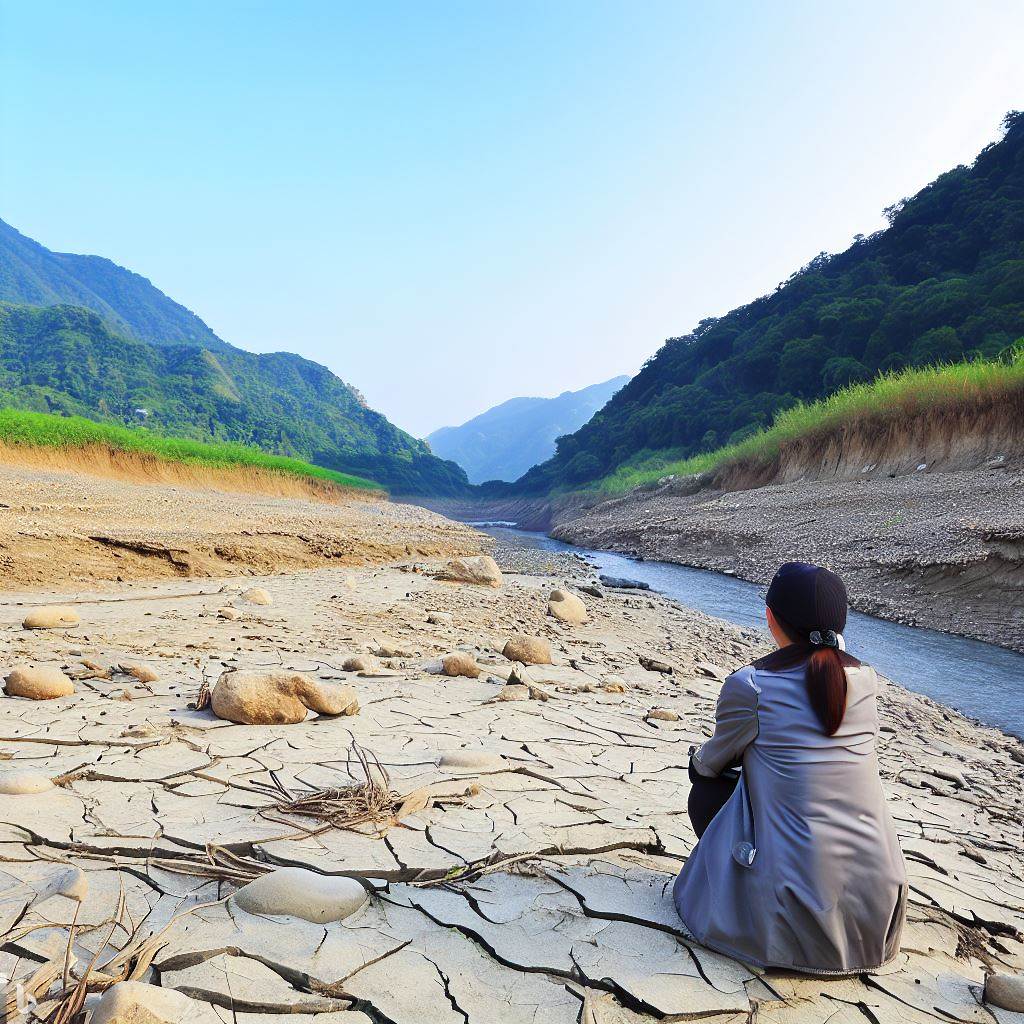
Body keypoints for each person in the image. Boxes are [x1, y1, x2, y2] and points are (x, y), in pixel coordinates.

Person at [673, 561, 907, 975]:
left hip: (786, 915)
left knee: (708, 788)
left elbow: (711, 763)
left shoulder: (752, 685)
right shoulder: (867, 679)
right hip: (875, 911)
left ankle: (733, 895)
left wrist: (700, 762)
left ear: (770, 618)